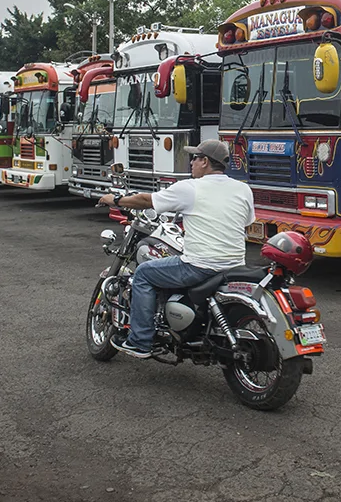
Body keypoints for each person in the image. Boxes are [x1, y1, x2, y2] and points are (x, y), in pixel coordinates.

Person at [98, 139, 254, 358]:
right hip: (235, 266)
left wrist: (115, 199)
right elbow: (243, 221)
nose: (191, 163)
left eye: (195, 158)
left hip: (201, 266)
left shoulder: (191, 187)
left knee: (143, 274)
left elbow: (145, 200)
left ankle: (140, 341)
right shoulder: (243, 188)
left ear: (205, 162)